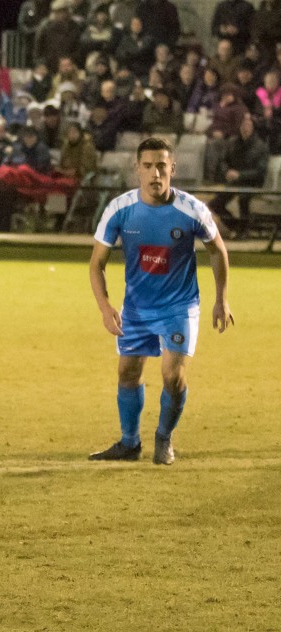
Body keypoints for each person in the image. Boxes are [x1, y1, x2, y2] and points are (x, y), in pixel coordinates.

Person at [88, 137, 234, 465]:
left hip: (179, 307)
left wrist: (221, 300)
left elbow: (218, 251)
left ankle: (164, 438)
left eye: (162, 166)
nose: (156, 173)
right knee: (127, 373)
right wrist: (105, 307)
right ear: (136, 169)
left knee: (172, 374)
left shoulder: (192, 210)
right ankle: (129, 443)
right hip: (136, 308)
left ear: (173, 169)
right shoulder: (119, 210)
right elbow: (96, 264)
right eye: (148, 166)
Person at [207, 114, 268, 237]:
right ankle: (236, 226)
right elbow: (223, 160)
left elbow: (260, 171)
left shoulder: (261, 146)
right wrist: (227, 172)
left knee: (243, 198)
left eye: (248, 125)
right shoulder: (232, 143)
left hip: (252, 183)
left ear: (253, 128)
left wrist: (240, 175)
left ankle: (243, 230)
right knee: (215, 203)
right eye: (243, 125)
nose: (245, 128)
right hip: (235, 182)